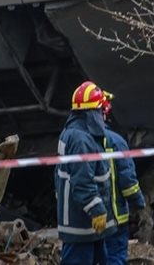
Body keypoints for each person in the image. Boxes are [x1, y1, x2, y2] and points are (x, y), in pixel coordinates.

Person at [56, 81, 116, 265]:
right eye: (102, 110)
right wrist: (97, 210)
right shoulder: (81, 140)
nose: (104, 115)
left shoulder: (78, 133)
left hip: (85, 224)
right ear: (93, 112)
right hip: (81, 224)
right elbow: (82, 181)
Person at [100, 91, 148, 265]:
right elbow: (128, 182)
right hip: (115, 215)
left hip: (88, 218)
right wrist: (139, 205)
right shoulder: (115, 141)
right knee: (115, 257)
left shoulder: (77, 141)